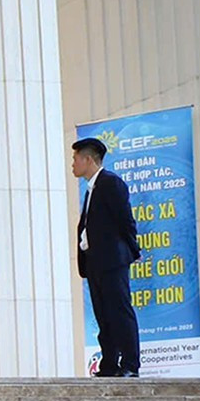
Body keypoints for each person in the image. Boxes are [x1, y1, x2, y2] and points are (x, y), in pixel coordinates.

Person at [73, 135, 145, 376]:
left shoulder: (111, 183)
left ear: (88, 159)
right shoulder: (90, 189)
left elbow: (126, 220)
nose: (73, 164)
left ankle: (130, 365)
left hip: (112, 261)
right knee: (103, 315)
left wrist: (132, 251)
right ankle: (110, 364)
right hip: (94, 262)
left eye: (75, 159)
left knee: (120, 311)